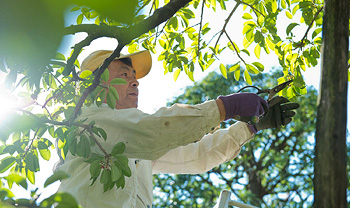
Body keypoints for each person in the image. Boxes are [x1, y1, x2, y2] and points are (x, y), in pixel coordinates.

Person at [56, 50, 299, 208]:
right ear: (95, 83)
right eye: (124, 73)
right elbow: (156, 130)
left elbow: (197, 156)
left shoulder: (135, 147)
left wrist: (249, 128)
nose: (135, 81)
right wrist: (225, 107)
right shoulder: (89, 122)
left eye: (134, 76)